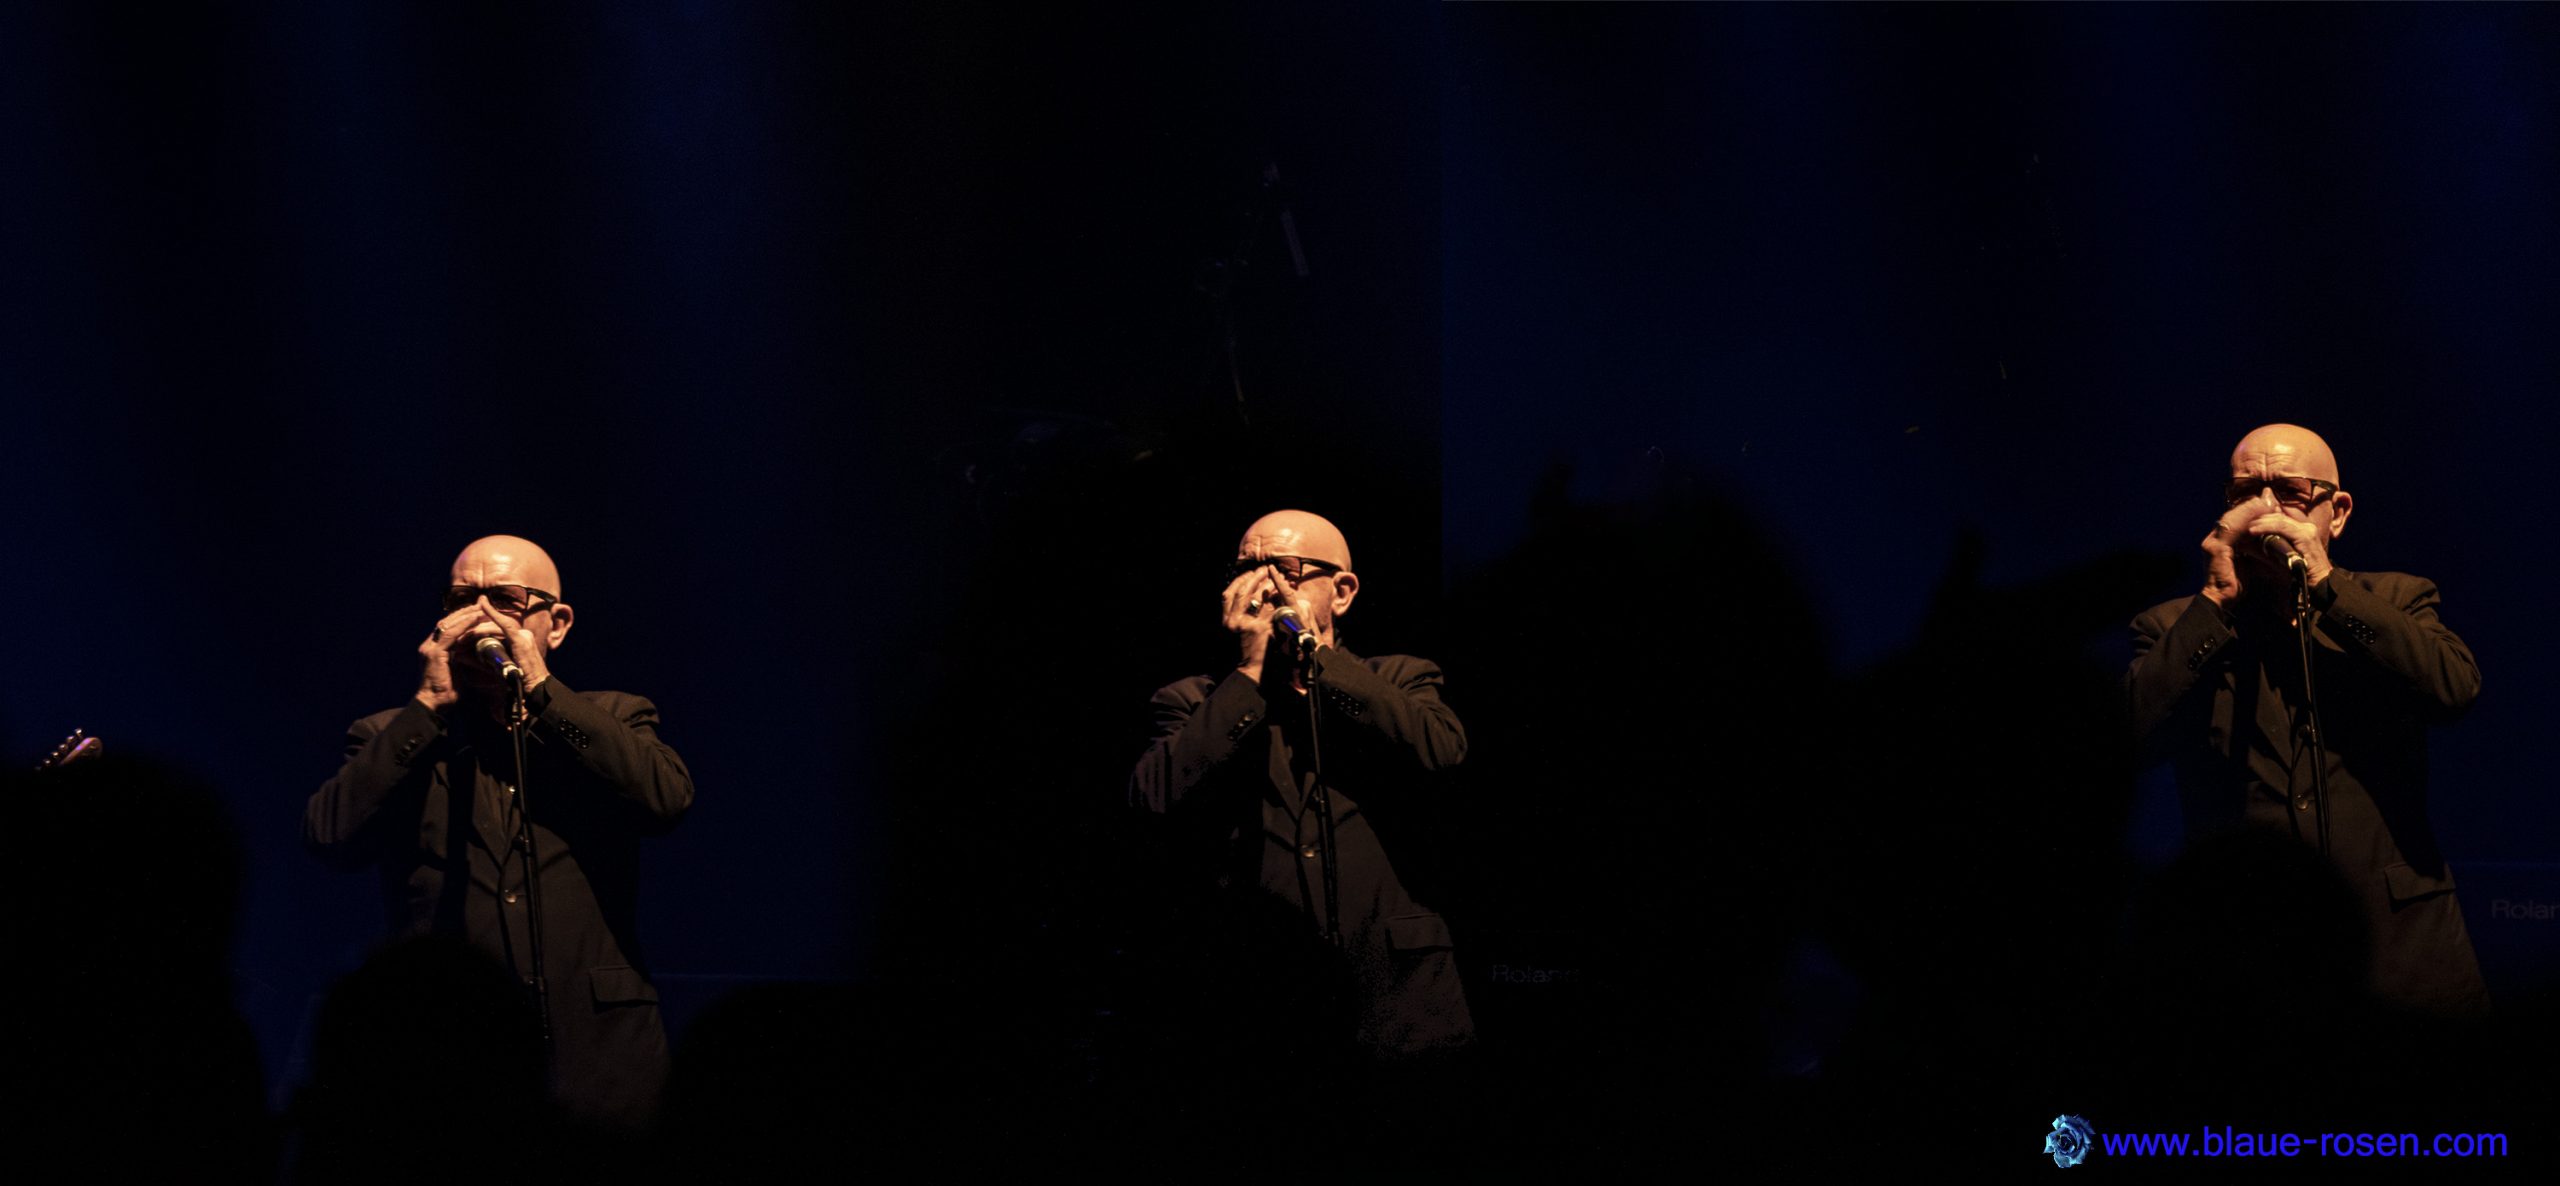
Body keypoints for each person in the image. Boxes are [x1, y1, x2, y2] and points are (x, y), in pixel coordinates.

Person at [305, 535, 695, 1128]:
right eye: (463, 598)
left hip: (598, 1055)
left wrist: (540, 689)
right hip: (445, 1060)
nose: (480, 615)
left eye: (506, 599)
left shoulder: (614, 717)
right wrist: (428, 705)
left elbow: (667, 801)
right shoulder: (393, 735)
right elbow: (329, 837)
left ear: (556, 624)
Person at [2127, 424, 2489, 1015]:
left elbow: (2454, 692)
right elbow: (2127, 743)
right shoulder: (2175, 627)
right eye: (2246, 492)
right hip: (2242, 954)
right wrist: (2215, 601)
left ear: (2336, 512)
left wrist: (2324, 583)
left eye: (2290, 491)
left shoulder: (2396, 599)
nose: (2265, 508)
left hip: (2401, 949)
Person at [1128, 510, 1473, 1060]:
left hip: (1396, 1002)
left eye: (1283, 570)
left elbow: (1441, 755)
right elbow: (1154, 800)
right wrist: (1249, 672)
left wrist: (1320, 661)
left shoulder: (1399, 678)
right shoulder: (1194, 701)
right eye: (1245, 570)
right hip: (1254, 1004)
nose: (1263, 587)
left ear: (1341, 591)